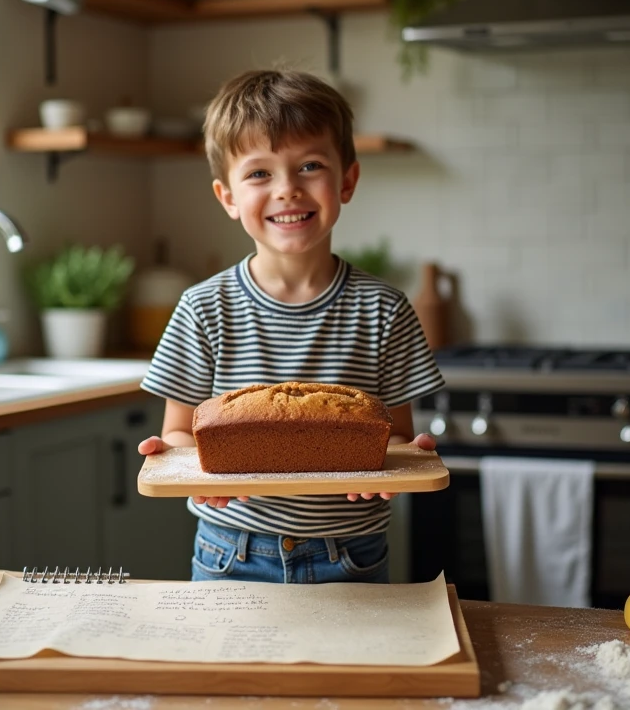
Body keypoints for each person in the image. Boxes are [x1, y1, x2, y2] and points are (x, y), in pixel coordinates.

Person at [137, 69, 444, 584]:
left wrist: (396, 466)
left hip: (349, 553)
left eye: (310, 165)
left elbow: (395, 437)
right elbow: (180, 432)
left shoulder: (385, 309)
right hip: (231, 552)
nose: (287, 189)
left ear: (346, 180)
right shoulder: (202, 308)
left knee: (353, 670)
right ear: (227, 195)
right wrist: (190, 471)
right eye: (259, 174)